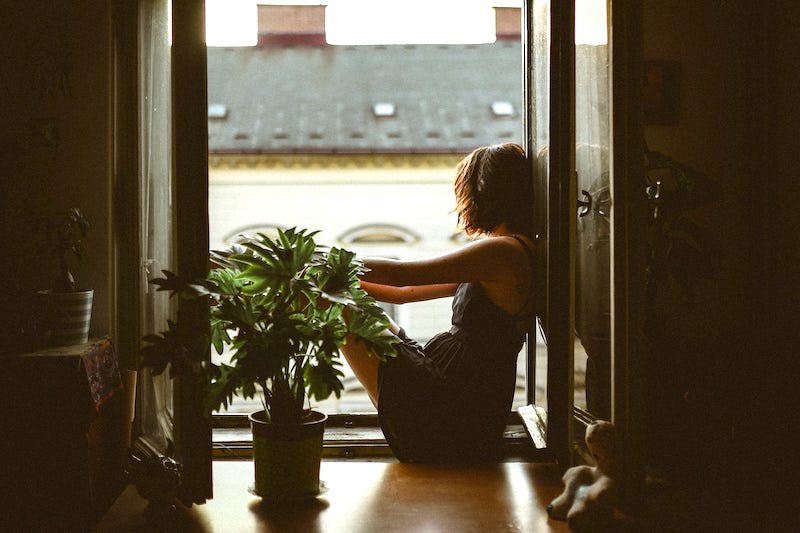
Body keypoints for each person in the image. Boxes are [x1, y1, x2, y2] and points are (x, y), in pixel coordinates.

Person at [340, 143, 539, 462]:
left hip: (452, 403)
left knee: (337, 309)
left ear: (482, 194)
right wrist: (342, 284)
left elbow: (401, 275)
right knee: (345, 302)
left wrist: (333, 265)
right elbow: (401, 293)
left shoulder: (503, 252)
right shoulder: (510, 252)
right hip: (458, 391)